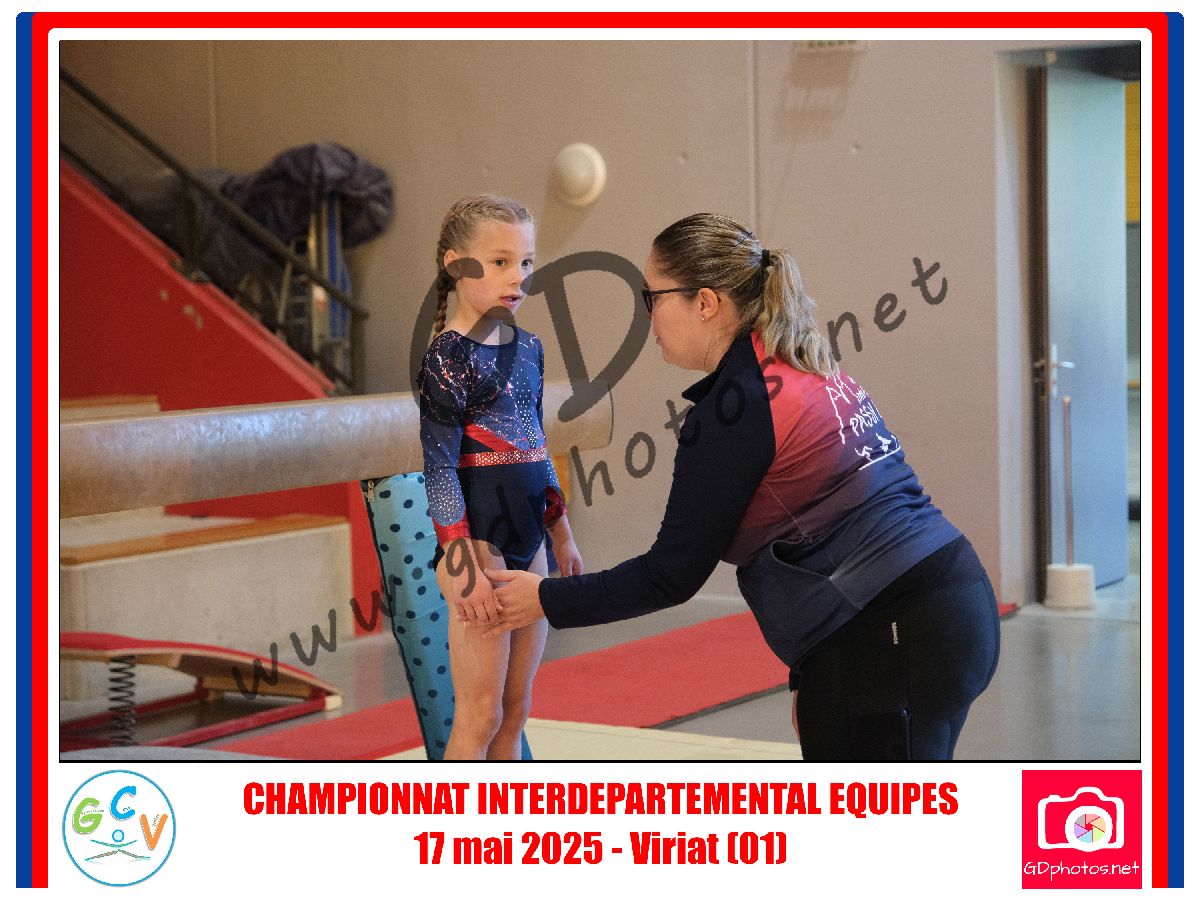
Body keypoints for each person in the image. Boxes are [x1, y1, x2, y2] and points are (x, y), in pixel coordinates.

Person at [483, 212, 1000, 761]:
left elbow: (670, 576)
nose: (647, 316)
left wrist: (543, 598)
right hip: (949, 603)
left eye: (651, 297)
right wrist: (815, 670)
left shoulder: (737, 408)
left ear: (706, 302)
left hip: (887, 632)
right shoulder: (802, 362)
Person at [418, 194, 584, 760]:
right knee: (480, 714)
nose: (519, 277)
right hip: (478, 546)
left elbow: (537, 447)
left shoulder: (529, 348)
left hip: (530, 540)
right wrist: (458, 556)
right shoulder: (447, 356)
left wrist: (561, 533)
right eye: (500, 262)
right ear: (456, 265)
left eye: (527, 262)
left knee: (515, 711)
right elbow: (440, 467)